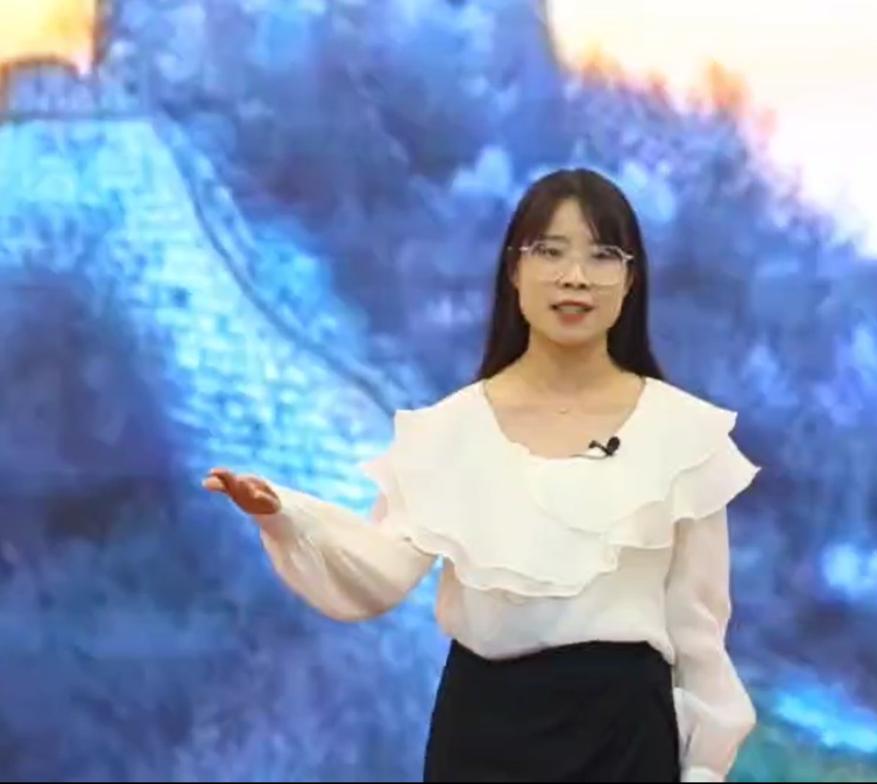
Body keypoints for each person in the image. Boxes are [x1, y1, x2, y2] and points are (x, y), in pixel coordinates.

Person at [203, 168, 760, 782]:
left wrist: (703, 769)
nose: (575, 276)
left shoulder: (681, 434)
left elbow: (698, 630)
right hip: (485, 737)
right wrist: (285, 513)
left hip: (625, 740)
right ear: (514, 270)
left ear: (631, 279)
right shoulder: (453, 429)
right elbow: (380, 571)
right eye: (551, 251)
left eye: (602, 256)